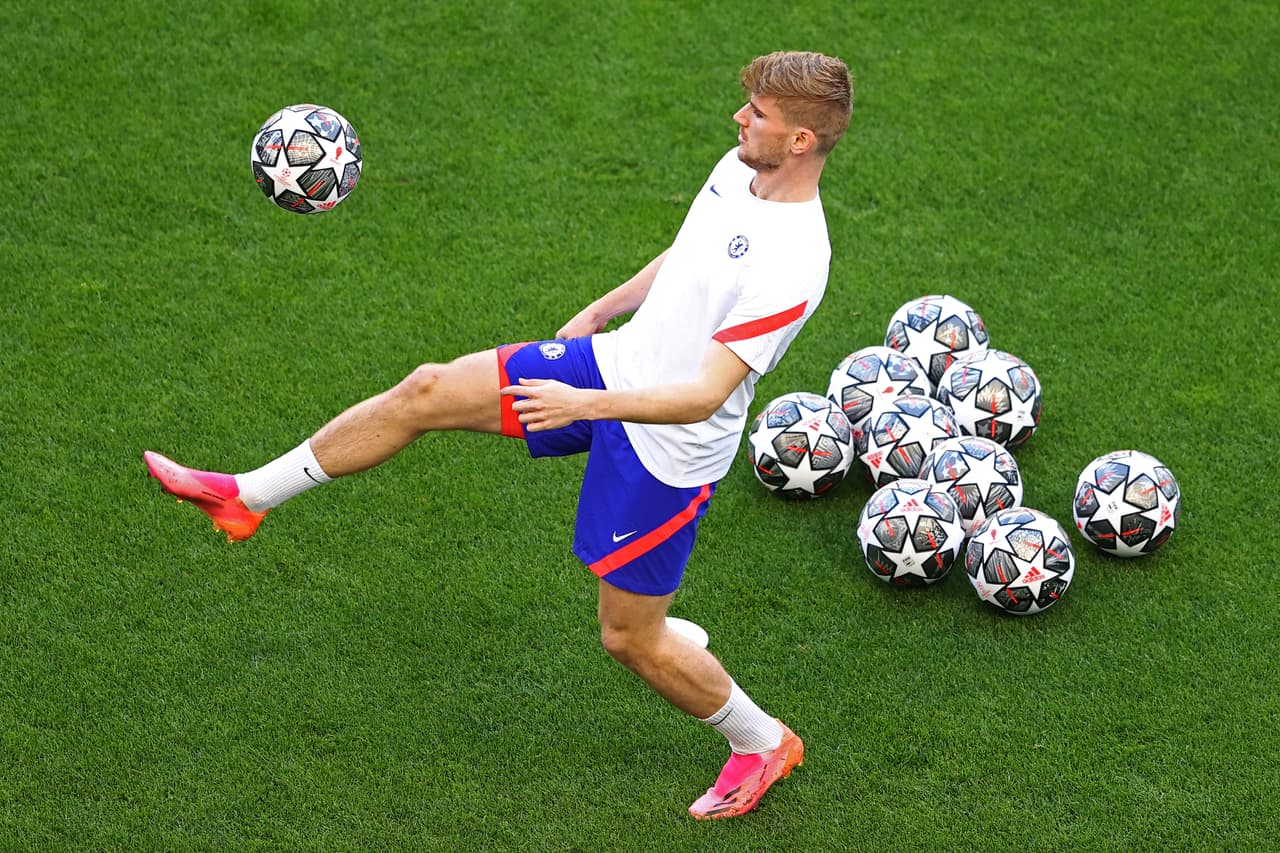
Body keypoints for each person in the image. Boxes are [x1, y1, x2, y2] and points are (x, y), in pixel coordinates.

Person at [145, 50, 853, 820]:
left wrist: (583, 404)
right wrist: (601, 310)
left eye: (758, 114)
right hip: (611, 365)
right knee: (425, 390)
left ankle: (763, 740)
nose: (739, 119)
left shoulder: (796, 259)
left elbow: (703, 395)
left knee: (628, 641)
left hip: (666, 448)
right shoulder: (738, 168)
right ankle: (245, 496)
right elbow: (691, 254)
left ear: (802, 142)